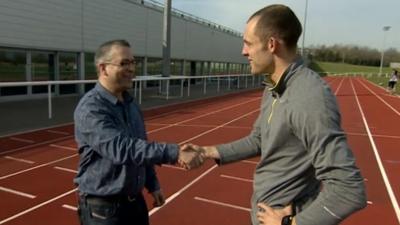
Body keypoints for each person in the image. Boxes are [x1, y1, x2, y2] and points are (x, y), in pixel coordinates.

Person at [182, 4, 366, 225]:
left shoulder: (310, 96)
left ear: (271, 44)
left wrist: (291, 223)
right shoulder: (274, 87)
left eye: (248, 43)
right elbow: (259, 139)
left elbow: (349, 188)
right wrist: (207, 151)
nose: (243, 51)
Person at [74, 39, 202, 225]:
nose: (132, 69)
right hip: (104, 210)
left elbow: (141, 147)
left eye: (133, 62)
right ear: (103, 68)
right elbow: (121, 149)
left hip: (135, 202)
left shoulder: (131, 104)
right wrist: (175, 152)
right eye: (124, 63)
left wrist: (152, 184)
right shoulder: (91, 108)